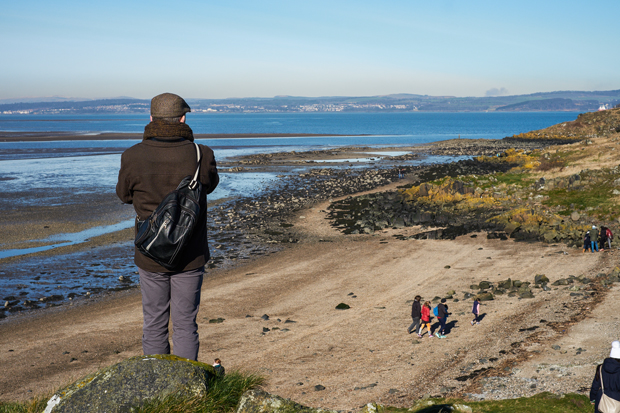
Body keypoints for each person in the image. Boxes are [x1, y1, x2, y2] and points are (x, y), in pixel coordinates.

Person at [116, 93, 219, 361]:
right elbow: (209, 186)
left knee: (154, 323)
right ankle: (186, 389)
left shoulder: (132, 155)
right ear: (183, 118)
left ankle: (158, 389)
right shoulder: (201, 154)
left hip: (150, 252)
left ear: (151, 118)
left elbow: (124, 196)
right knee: (186, 324)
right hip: (191, 252)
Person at [590, 340, 620, 412]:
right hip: (618, 399)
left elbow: (595, 386)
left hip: (602, 399)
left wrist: (593, 398)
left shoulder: (601, 368)